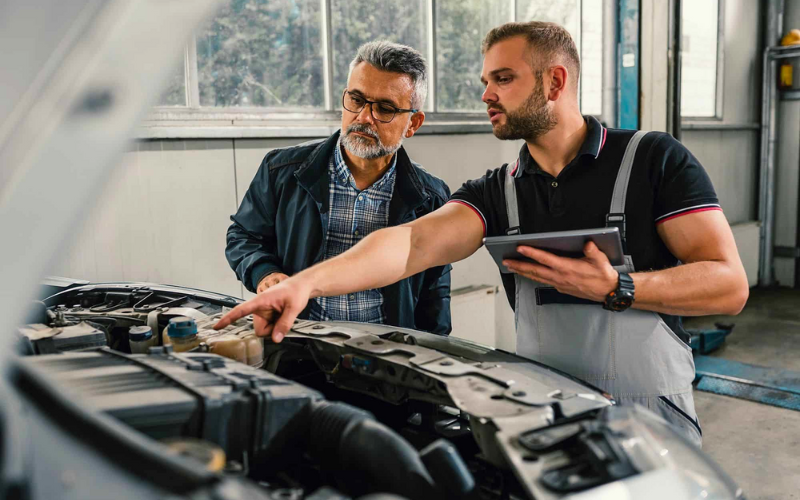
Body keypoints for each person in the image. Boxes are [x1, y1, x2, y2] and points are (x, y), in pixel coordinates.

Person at [216, 22, 749, 446]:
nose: (487, 95)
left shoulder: (652, 160)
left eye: (503, 79)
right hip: (547, 410)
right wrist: (304, 284)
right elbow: (410, 243)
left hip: (651, 413)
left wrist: (617, 287)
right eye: (485, 82)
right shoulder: (499, 191)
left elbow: (729, 285)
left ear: (554, 82)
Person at [224, 41, 452, 335]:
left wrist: (433, 351)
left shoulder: (431, 198)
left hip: (387, 351)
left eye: (384, 109)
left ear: (413, 123)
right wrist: (265, 273)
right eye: (356, 100)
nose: (364, 117)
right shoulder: (281, 171)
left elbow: (435, 291)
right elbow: (243, 236)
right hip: (299, 340)